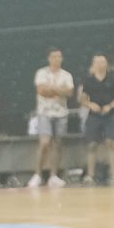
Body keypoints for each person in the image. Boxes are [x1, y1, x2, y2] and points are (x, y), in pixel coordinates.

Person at [28, 47, 73, 188]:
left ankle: (54, 176)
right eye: (54, 56)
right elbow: (42, 91)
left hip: (61, 113)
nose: (57, 59)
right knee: (45, 143)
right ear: (49, 58)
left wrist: (52, 89)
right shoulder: (41, 73)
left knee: (58, 143)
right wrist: (59, 90)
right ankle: (38, 174)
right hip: (44, 113)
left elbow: (69, 92)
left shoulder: (67, 75)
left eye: (59, 56)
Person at [81, 54, 114, 185]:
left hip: (110, 116)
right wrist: (90, 104)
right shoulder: (88, 80)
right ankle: (90, 175)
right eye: (98, 62)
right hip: (94, 116)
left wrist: (110, 106)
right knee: (92, 145)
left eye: (103, 62)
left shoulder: (113, 79)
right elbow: (82, 99)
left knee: (112, 142)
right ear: (93, 64)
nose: (100, 64)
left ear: (106, 64)